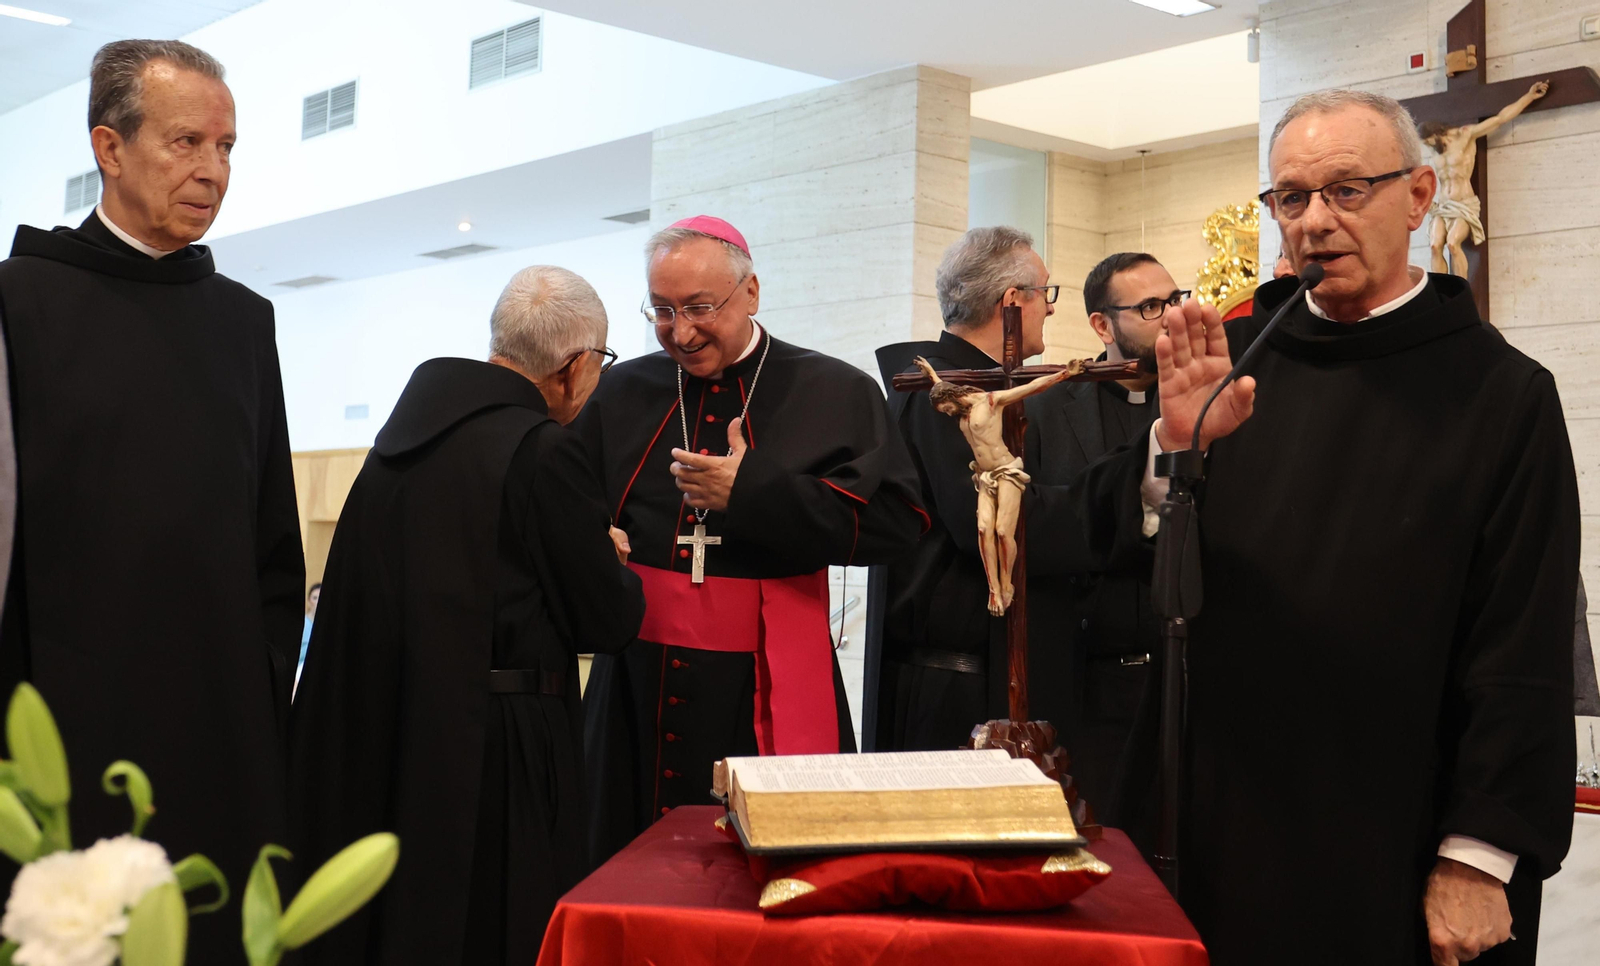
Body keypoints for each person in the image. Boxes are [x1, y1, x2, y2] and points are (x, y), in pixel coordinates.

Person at [1123, 88, 1576, 965]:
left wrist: (1480, 856)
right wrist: (1172, 450)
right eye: (1290, 198)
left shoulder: (1502, 393)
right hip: (1217, 815)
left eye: (1346, 191)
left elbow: (1521, 638)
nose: (1315, 222)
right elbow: (1112, 558)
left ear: (1417, 196)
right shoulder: (1234, 360)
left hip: (1395, 826)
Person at [0, 40, 303, 959]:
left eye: (227, 147)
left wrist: (259, 702)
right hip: (59, 719)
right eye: (185, 142)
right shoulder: (19, 304)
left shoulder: (244, 322)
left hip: (221, 729)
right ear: (110, 146)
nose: (212, 170)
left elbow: (272, 542)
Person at [289, 266, 645, 964]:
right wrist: (616, 562)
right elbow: (606, 621)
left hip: (391, 734)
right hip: (500, 753)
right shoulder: (545, 450)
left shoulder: (394, 448)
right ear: (574, 368)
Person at [578, 216, 925, 864]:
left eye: (700, 308)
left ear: (752, 293)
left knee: (763, 869)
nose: (680, 331)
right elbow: (575, 504)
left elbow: (900, 524)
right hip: (635, 687)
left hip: (764, 678)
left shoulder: (834, 390)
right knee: (623, 861)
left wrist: (756, 494)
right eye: (662, 311)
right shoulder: (621, 391)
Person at [1020, 252, 1179, 849]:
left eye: (1174, 299)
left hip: (1177, 672)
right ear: (1101, 326)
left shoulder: (1202, 404)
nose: (1170, 317)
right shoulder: (1045, 409)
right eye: (1149, 307)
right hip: (1084, 679)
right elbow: (1032, 526)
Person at [1420, 81, 1547, 279]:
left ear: (1436, 133)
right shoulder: (1434, 148)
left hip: (1463, 204)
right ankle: (1440, 290)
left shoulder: (1465, 135)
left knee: (1453, 243)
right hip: (1443, 205)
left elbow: (1500, 119)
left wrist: (1529, 96)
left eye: (1429, 142)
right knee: (1435, 245)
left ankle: (1460, 289)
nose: (1428, 147)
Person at [293, 582, 321, 696]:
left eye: (321, 597)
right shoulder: (301, 624)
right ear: (309, 600)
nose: (318, 601)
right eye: (315, 598)